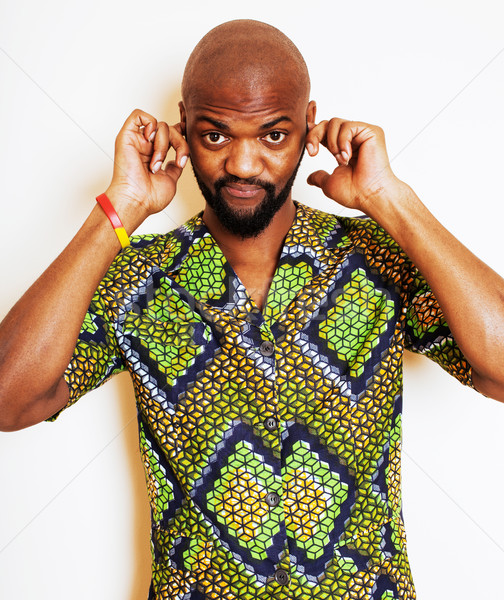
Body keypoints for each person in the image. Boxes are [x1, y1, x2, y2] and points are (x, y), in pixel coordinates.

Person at [0, 18, 503, 600]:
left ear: (309, 127)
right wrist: (120, 208)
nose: (242, 164)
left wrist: (390, 201)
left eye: (272, 135)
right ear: (183, 128)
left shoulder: (378, 261)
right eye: (215, 135)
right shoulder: (137, 277)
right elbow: (10, 399)